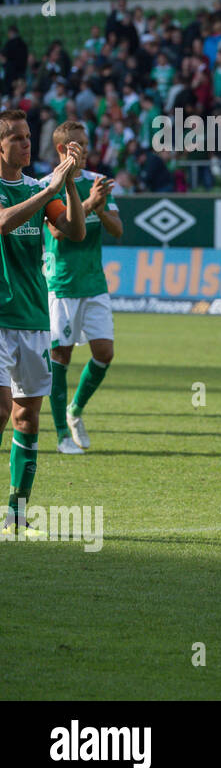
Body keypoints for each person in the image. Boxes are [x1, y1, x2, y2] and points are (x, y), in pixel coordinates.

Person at [0, 110, 87, 537]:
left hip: (33, 317)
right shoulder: (16, 191)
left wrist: (68, 182)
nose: (25, 144)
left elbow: (74, 230)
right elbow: (2, 222)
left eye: (27, 137)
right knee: (0, 408)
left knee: (26, 417)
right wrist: (51, 185)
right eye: (16, 138)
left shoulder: (39, 188)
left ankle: (16, 513)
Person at [45, 121, 121, 455]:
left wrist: (102, 210)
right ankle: (62, 434)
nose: (85, 150)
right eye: (77, 145)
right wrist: (89, 204)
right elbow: (60, 233)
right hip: (62, 283)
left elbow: (117, 230)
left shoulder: (98, 182)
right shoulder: (48, 185)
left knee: (104, 353)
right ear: (62, 149)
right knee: (61, 355)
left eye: (87, 144)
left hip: (94, 282)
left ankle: (74, 410)